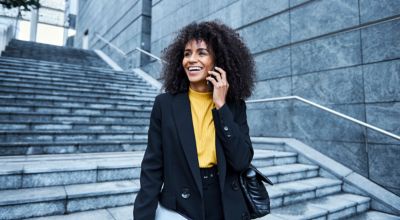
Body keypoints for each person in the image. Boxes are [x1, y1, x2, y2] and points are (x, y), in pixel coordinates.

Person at [133, 20, 256, 220]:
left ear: (218, 61)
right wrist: (143, 216)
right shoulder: (165, 105)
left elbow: (242, 161)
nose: (191, 59)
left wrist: (221, 106)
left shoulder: (234, 106)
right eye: (187, 53)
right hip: (181, 207)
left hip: (225, 204)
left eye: (201, 53)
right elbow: (152, 166)